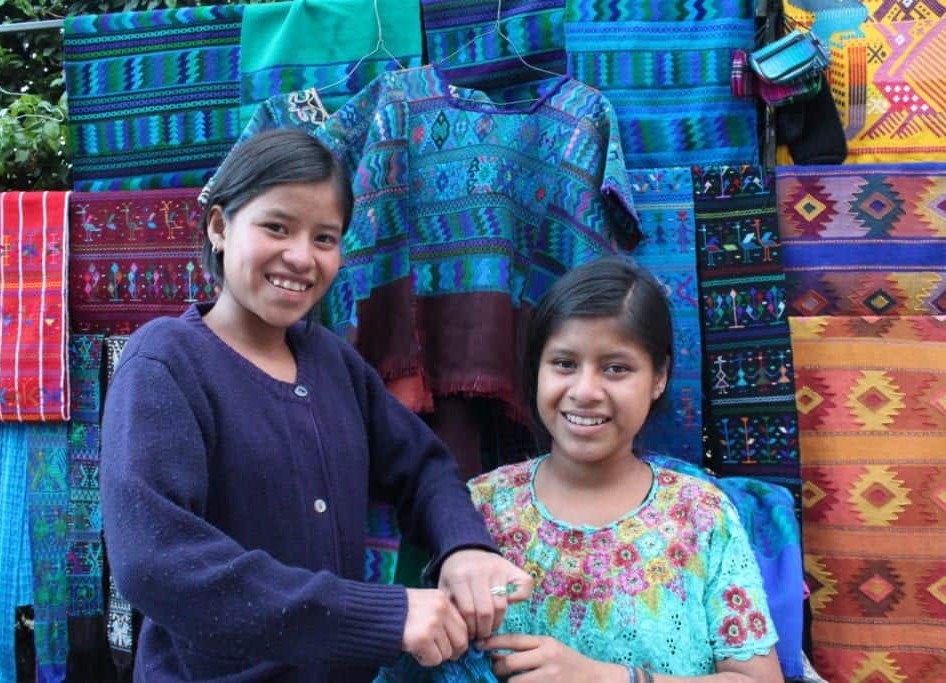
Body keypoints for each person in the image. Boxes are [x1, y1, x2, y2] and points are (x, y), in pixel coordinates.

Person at [99, 128, 532, 682]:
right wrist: (380, 614)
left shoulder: (332, 363)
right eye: (277, 227)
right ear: (220, 226)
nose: (301, 257)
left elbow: (423, 466)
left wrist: (462, 547)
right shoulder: (166, 362)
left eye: (325, 238)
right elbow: (155, 560)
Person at [468, 256, 783, 682]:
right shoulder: (479, 509)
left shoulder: (700, 515)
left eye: (616, 368)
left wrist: (606, 678)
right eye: (564, 363)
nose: (584, 391)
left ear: (659, 377)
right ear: (536, 370)